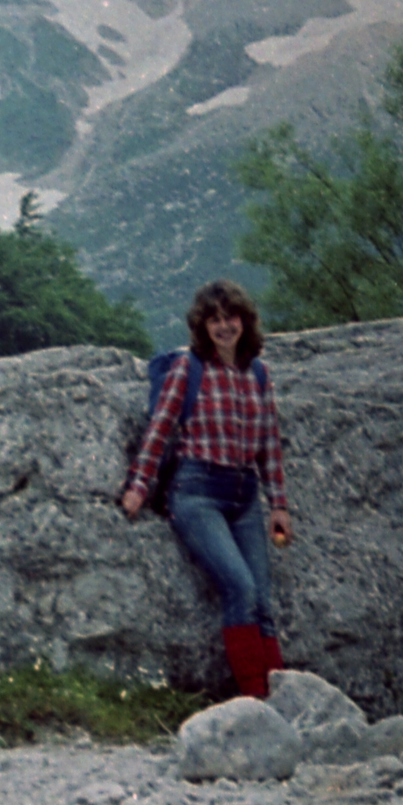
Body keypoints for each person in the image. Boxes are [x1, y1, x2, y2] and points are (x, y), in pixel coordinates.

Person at [121, 280, 293, 699]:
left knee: (265, 605)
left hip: (244, 496)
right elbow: (161, 428)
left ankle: (280, 701)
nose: (223, 326)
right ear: (202, 325)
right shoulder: (189, 368)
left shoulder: (258, 373)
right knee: (241, 588)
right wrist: (139, 486)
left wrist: (279, 505)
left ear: (244, 320)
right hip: (198, 493)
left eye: (230, 317)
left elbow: (268, 441)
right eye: (213, 319)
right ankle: (254, 699)